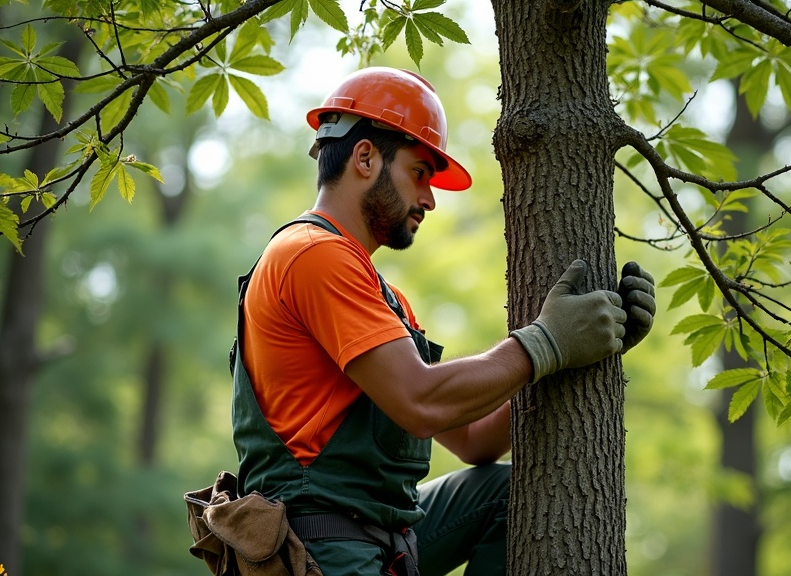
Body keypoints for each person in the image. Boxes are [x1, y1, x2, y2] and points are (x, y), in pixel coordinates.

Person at [230, 66, 657, 576]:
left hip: (380, 539)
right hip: (319, 545)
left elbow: (475, 439)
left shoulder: (382, 295)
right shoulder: (311, 255)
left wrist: (587, 341)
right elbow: (420, 400)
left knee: (503, 495)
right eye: (419, 173)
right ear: (365, 157)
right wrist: (546, 341)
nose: (430, 198)